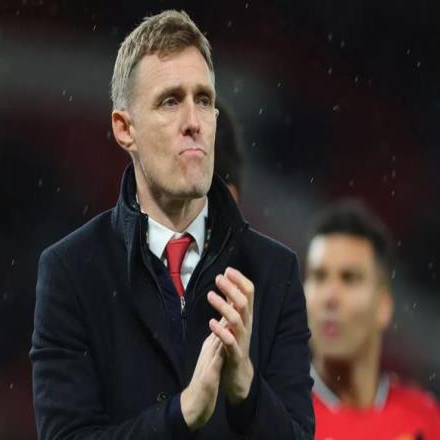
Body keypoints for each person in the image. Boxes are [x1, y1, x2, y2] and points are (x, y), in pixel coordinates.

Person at [30, 10, 314, 439]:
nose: (193, 122)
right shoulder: (72, 272)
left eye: (204, 100)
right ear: (125, 129)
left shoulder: (275, 272)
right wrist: (180, 415)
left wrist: (246, 390)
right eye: (170, 101)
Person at [304, 200, 440, 440]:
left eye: (349, 278)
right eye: (319, 276)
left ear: (383, 306)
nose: (329, 296)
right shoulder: (277, 415)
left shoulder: (425, 419)